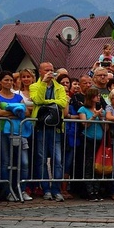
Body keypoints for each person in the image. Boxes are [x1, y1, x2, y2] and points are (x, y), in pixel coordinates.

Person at [30, 61, 68, 202]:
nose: (50, 72)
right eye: (46, 70)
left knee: (57, 160)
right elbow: (37, 100)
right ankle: (46, 189)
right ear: (40, 71)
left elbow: (63, 103)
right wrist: (43, 85)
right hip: (40, 127)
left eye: (52, 70)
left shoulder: (60, 87)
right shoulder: (35, 86)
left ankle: (56, 190)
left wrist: (47, 102)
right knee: (41, 160)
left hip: (56, 128)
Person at [0, 70, 32, 201]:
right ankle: (7, 190)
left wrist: (9, 111)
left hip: (19, 132)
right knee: (5, 161)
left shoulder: (17, 97)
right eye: (5, 80)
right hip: (2, 130)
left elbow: (26, 113)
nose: (8, 83)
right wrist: (15, 113)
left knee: (23, 162)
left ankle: (21, 188)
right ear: (1, 82)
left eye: (10, 80)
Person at [77, 87, 105, 201]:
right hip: (88, 139)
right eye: (97, 95)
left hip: (99, 140)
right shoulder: (83, 109)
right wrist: (94, 116)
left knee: (97, 166)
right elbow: (84, 124)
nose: (99, 97)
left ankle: (96, 190)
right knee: (88, 166)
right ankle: (89, 191)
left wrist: (101, 117)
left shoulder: (101, 110)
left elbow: (106, 128)